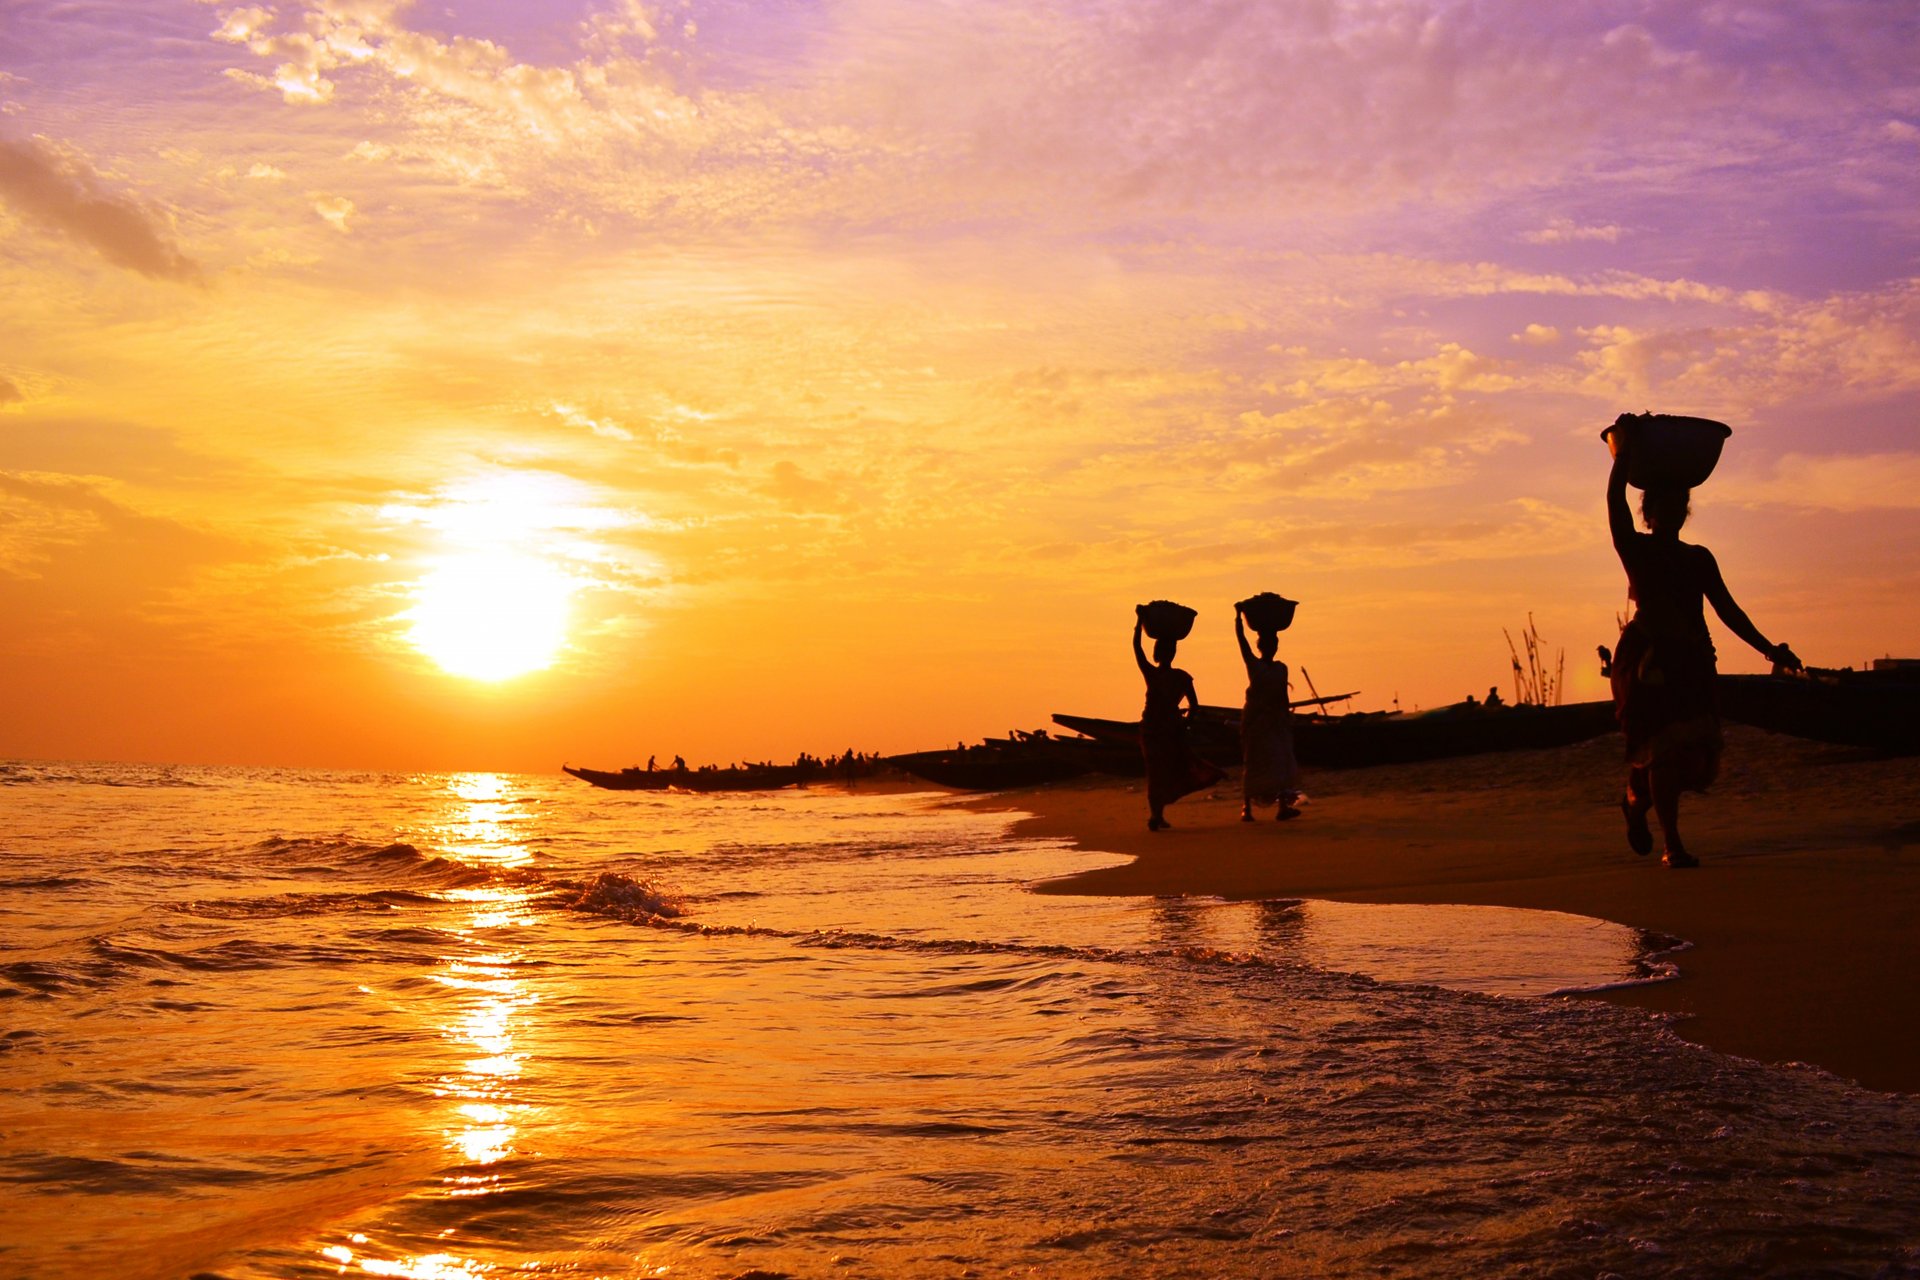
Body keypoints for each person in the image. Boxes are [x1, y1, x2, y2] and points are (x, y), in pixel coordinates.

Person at [1607, 418, 1800, 867]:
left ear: (1684, 511)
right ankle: (1672, 844)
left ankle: (1635, 803)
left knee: (1700, 762)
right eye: (1664, 505)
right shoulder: (1636, 549)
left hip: (1691, 660)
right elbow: (1615, 501)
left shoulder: (1698, 558)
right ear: (1649, 514)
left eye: (1680, 504)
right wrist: (1623, 455)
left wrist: (1771, 650)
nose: (1672, 511)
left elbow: (1729, 611)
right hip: (1648, 663)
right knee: (1663, 753)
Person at [1134, 618, 1226, 831]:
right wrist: (1186, 725)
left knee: (1161, 771)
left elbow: (1194, 706)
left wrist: (1185, 726)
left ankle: (1157, 815)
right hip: (1157, 730)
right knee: (1158, 771)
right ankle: (1157, 815)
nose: (1169, 654)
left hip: (1163, 730)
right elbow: (1194, 707)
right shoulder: (1168, 676)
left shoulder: (1169, 676)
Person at [1234, 604, 1301, 821]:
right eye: (1269, 644)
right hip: (1257, 722)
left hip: (1276, 720)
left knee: (1281, 761)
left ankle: (1282, 807)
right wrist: (1238, 618)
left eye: (1275, 644)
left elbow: (1283, 695)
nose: (1272, 647)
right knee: (1255, 762)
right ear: (1263, 646)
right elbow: (1242, 644)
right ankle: (1247, 808)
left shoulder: (1281, 668)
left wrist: (1286, 716)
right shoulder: (1254, 665)